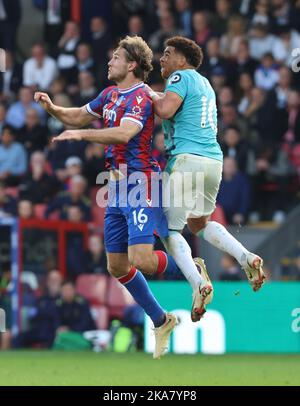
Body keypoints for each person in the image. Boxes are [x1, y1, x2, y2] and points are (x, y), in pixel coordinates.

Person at [35, 36, 179, 359]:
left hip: (140, 182)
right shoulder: (109, 95)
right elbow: (77, 116)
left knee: (142, 259)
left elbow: (124, 133)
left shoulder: (141, 96)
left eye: (116, 56)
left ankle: (187, 265)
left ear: (131, 64)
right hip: (115, 188)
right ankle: (161, 319)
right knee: (116, 266)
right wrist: (53, 108)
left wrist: (82, 135)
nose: (109, 61)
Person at [147, 36, 266, 320]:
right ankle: (246, 257)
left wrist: (147, 94)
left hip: (186, 159)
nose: (161, 58)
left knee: (169, 231)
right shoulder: (205, 83)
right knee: (199, 222)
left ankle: (198, 283)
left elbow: (164, 110)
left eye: (167, 53)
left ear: (182, 59)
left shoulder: (179, 76)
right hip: (213, 160)